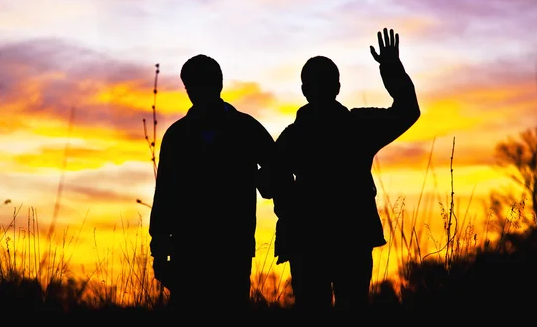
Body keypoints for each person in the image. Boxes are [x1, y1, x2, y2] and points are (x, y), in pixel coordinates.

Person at [272, 27, 420, 312]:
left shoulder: (292, 137)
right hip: (350, 238)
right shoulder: (358, 127)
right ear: (337, 87)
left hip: (308, 241)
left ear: (304, 91)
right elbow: (407, 111)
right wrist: (391, 69)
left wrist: (287, 201)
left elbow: (267, 183)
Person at [148, 54, 276, 314]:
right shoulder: (177, 136)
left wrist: (258, 179)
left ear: (218, 84)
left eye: (201, 84)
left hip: (232, 248)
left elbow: (278, 176)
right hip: (189, 250)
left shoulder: (245, 128)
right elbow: (165, 195)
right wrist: (160, 249)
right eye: (191, 85)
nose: (196, 91)